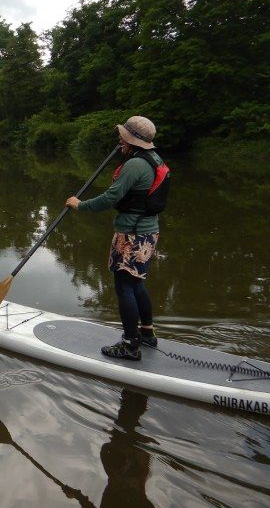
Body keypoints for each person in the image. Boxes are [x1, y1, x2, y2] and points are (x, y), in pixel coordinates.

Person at [65, 116, 165, 361]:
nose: (119, 140)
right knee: (136, 283)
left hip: (131, 235)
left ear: (132, 140)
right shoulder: (154, 159)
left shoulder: (134, 165)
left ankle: (130, 345)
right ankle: (147, 334)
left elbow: (110, 198)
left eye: (123, 136)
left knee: (124, 287)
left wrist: (80, 205)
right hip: (148, 232)